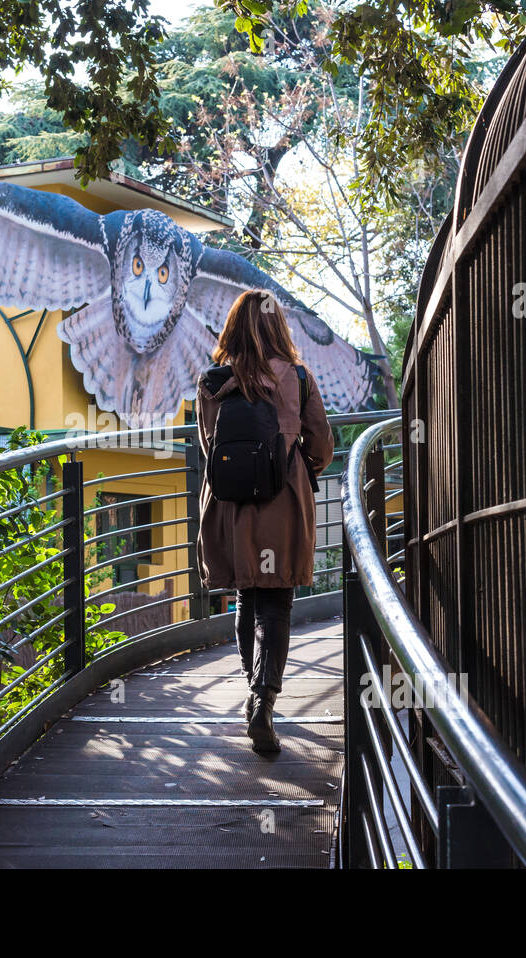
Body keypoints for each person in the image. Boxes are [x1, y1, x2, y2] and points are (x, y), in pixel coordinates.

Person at [195, 289, 335, 753]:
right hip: (282, 503)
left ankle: (253, 690)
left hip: (230, 507)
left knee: (245, 596)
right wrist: (291, 467)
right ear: (279, 327)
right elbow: (321, 447)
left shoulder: (213, 381)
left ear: (231, 328)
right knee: (277, 602)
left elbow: (207, 448)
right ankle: (264, 699)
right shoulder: (297, 377)